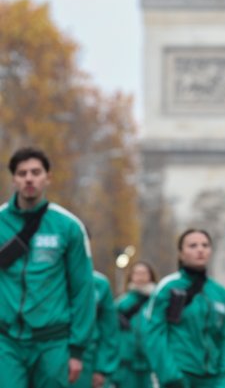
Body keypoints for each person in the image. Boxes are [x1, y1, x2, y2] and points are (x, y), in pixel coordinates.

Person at [0, 147, 95, 387]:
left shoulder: (68, 227)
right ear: (14, 179)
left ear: (47, 177)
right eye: (22, 173)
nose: (29, 178)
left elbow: (82, 290)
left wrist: (77, 350)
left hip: (53, 343)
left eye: (35, 172)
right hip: (6, 341)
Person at [144, 229, 225, 387]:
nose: (200, 249)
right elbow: (154, 334)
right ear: (181, 253)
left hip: (215, 379)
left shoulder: (220, 294)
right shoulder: (167, 288)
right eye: (192, 245)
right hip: (180, 377)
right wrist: (171, 377)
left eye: (205, 245)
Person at [74, 267, 120, 388]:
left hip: (87, 360)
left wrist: (102, 368)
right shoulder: (47, 278)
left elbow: (109, 330)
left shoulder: (99, 284)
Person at [114, 261, 158, 388]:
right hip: (126, 360)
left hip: (149, 361)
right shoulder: (122, 303)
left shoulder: (156, 302)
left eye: (144, 273)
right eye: (137, 273)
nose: (140, 277)